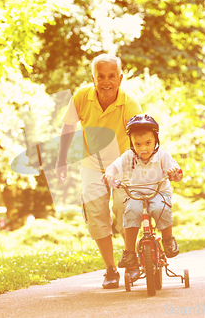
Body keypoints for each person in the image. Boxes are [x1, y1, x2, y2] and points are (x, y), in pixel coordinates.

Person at [56, 54, 142, 289]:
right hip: (93, 166)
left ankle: (132, 261)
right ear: (93, 78)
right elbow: (68, 127)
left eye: (111, 76)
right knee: (96, 218)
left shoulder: (129, 103)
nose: (106, 82)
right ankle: (110, 269)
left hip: (123, 165)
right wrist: (61, 159)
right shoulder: (82, 97)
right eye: (101, 76)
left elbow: (139, 138)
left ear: (120, 78)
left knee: (126, 211)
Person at [101, 114, 183, 280]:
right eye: (138, 144)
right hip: (136, 193)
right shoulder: (129, 156)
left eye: (148, 143)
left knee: (160, 208)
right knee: (130, 211)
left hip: (159, 191)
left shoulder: (162, 155)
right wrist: (109, 175)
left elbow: (177, 174)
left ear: (155, 141)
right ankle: (129, 252)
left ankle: (168, 240)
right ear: (132, 144)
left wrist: (175, 174)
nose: (143, 148)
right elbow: (113, 168)